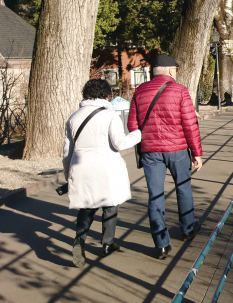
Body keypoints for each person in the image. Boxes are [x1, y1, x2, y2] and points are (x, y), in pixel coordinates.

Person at [128, 54, 203, 259]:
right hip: (177, 150)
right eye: (176, 70)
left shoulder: (139, 91)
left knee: (155, 196)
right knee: (183, 188)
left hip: (150, 152)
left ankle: (161, 244)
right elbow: (190, 124)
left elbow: (132, 126)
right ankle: (187, 228)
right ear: (171, 71)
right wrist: (196, 153)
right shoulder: (180, 91)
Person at [63, 79, 142, 268]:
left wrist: (68, 174)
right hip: (106, 167)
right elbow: (119, 143)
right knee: (110, 205)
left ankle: (79, 241)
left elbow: (67, 151)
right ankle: (107, 243)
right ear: (107, 95)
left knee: (87, 206)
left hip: (81, 167)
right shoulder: (110, 115)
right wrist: (138, 134)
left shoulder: (73, 118)